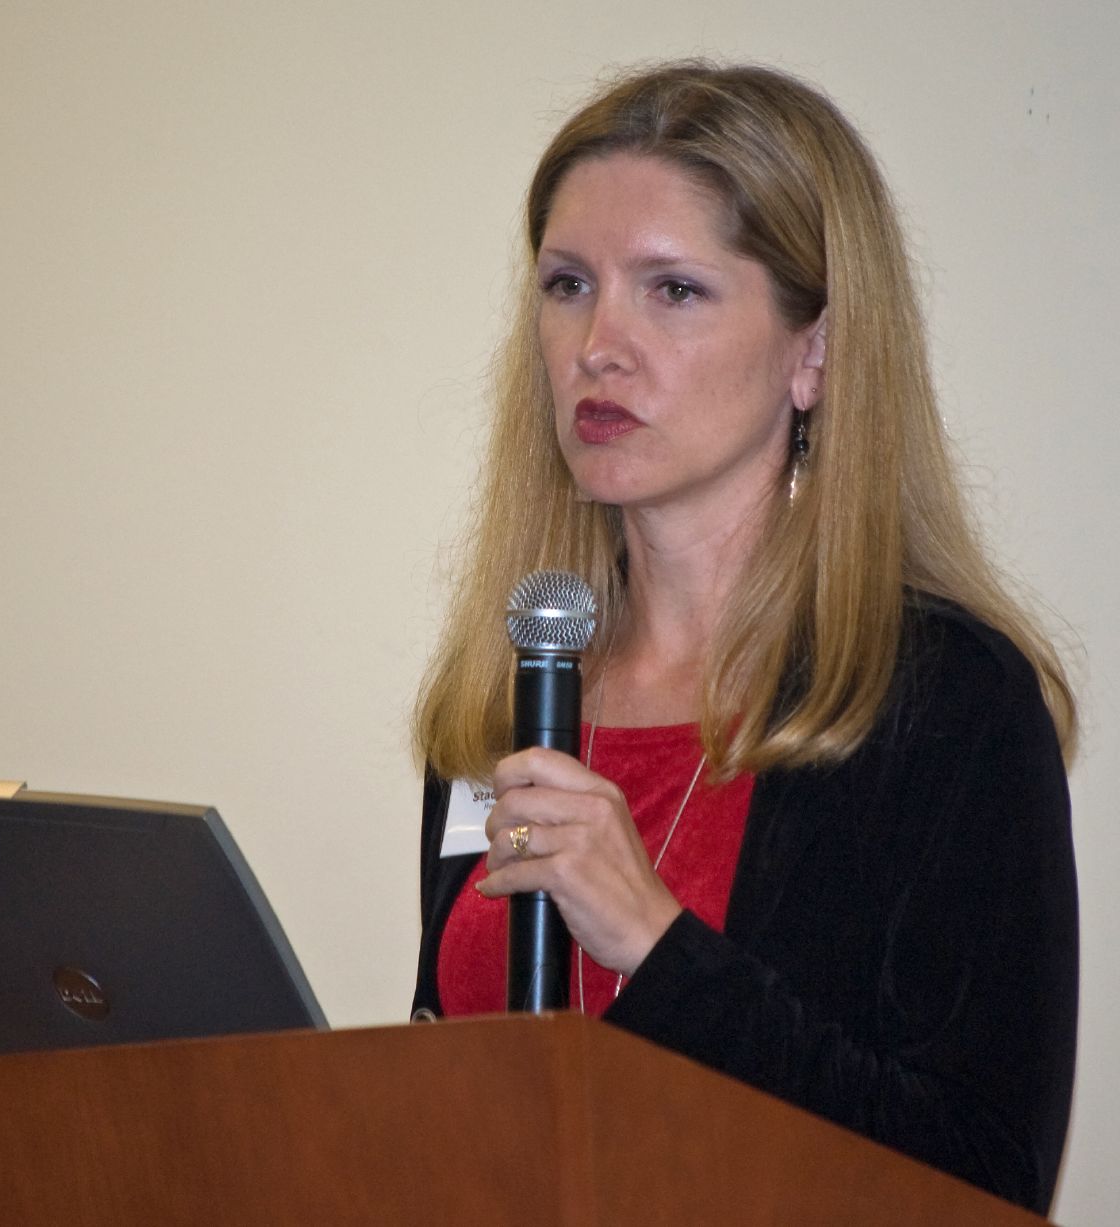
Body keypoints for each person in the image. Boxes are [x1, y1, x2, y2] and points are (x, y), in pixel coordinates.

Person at [410, 61, 1078, 1214]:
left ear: (811, 352)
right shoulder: (514, 689)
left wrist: (658, 949)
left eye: (672, 292)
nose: (597, 345)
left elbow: (982, 1178)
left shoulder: (943, 701)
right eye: (568, 284)